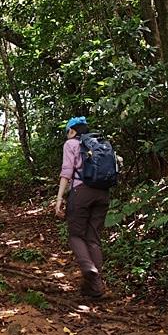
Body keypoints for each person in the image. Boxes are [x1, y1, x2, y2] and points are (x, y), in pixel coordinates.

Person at [54, 116, 110, 299]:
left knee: (76, 235)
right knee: (93, 238)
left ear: (72, 131)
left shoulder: (70, 144)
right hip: (102, 193)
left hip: (81, 192)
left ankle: (89, 269)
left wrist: (59, 198)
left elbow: (66, 172)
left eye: (67, 132)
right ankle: (94, 287)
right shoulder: (99, 143)